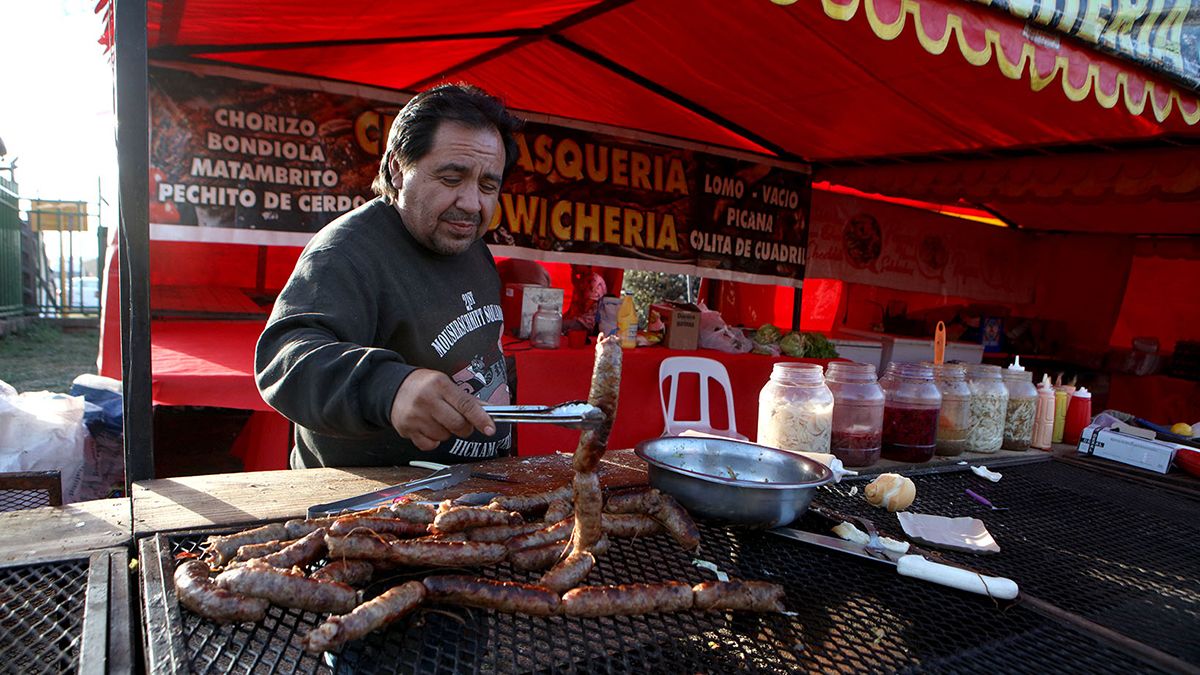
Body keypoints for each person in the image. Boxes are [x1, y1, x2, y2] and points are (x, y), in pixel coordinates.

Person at [255, 84, 523, 468]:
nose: (471, 203)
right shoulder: (346, 251)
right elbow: (285, 358)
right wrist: (390, 387)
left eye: (488, 185)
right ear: (399, 168)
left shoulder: (470, 243)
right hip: (373, 506)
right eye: (451, 178)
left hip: (475, 493)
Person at [563, 264, 607, 333]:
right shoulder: (582, 280)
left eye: (575, 264)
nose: (572, 266)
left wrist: (578, 289)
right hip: (576, 319)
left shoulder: (594, 280)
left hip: (586, 323)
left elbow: (586, 307)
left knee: (559, 326)